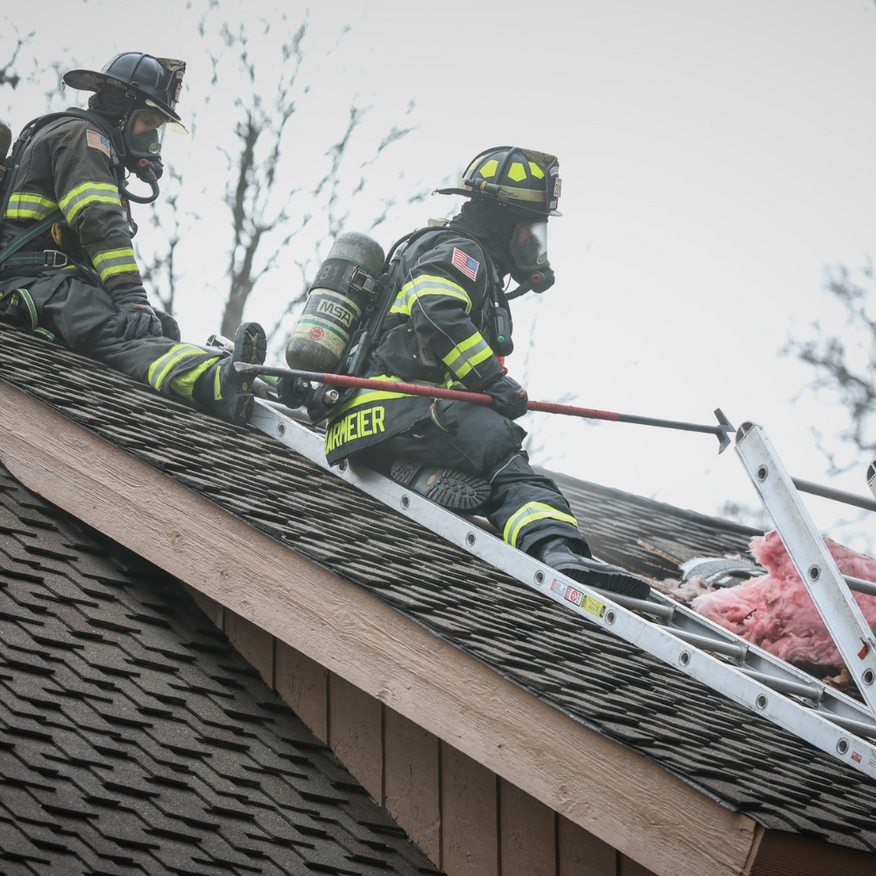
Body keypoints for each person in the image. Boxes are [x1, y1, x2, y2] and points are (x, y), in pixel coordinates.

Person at [316, 146, 651, 599]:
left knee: (481, 455)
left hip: (362, 426)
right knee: (501, 452)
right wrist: (491, 380)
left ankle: (416, 474)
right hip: (397, 406)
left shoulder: (446, 251)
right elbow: (433, 310)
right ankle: (558, 550)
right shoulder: (463, 253)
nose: (533, 244)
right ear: (500, 219)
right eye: (527, 230)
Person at [0, 52, 266, 424]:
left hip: (55, 284)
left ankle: (202, 378)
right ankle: (213, 384)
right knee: (121, 328)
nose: (152, 138)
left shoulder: (93, 147)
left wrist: (136, 307)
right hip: (34, 285)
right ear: (120, 113)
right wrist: (130, 297)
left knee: (160, 327)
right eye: (147, 123)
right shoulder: (82, 138)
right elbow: (99, 221)